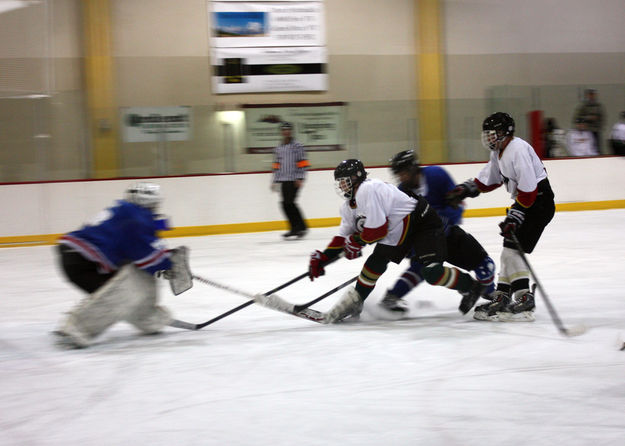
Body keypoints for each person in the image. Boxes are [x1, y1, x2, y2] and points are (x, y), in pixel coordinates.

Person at [308, 159, 488, 324]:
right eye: (339, 181)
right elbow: (342, 238)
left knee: (432, 272)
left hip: (421, 222)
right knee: (375, 263)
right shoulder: (348, 208)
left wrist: (356, 241)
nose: (341, 185)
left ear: (356, 177)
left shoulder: (367, 189)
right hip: (398, 229)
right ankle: (357, 302)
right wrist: (324, 258)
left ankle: (471, 286)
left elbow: (378, 230)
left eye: (344, 180)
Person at [53, 182, 192, 348]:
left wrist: (163, 261)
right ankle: (76, 330)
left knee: (128, 289)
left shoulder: (125, 210)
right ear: (148, 202)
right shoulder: (136, 218)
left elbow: (139, 252)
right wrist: (167, 263)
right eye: (155, 204)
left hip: (76, 257)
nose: (156, 208)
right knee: (123, 295)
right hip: (83, 261)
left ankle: (147, 318)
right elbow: (147, 257)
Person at [446, 112, 555, 322]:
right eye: (487, 134)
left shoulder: (518, 149)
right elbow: (490, 179)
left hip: (538, 203)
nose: (488, 138)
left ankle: (524, 298)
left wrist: (516, 215)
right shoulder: (499, 152)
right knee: (508, 251)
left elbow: (530, 190)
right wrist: (465, 189)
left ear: (505, 133)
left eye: (492, 133)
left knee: (513, 252)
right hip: (529, 203)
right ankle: (502, 297)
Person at [379, 150, 496, 315]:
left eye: (403, 173)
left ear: (413, 168)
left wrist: (444, 222)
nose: (401, 178)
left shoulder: (436, 175)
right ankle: (393, 296)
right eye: (398, 174)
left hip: (448, 235)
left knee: (486, 266)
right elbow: (401, 223)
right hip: (425, 241)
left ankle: (490, 293)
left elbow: (456, 203)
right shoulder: (401, 192)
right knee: (423, 268)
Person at [271, 122, 309, 239]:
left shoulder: (298, 146)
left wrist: (300, 177)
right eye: (284, 129)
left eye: (288, 129)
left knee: (289, 203)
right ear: (281, 132)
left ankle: (298, 227)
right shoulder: (279, 148)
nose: (286, 131)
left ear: (291, 131)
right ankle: (298, 227)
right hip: (283, 179)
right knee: (285, 204)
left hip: (294, 179)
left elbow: (303, 162)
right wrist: (275, 180)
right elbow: (277, 164)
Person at [573, 88, 605, 153]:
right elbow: (577, 117)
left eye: (593, 95)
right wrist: (588, 118)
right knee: (587, 147)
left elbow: (602, 117)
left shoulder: (598, 106)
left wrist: (600, 125)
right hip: (586, 130)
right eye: (590, 95)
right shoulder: (583, 106)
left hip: (596, 130)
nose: (591, 96)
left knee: (597, 148)